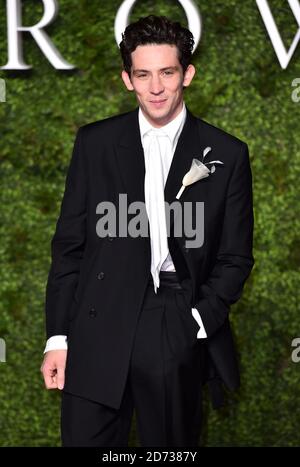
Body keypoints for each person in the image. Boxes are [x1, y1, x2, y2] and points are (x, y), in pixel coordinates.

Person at [40, 15, 254, 447]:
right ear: (127, 79)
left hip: (171, 318)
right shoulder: (95, 144)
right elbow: (70, 248)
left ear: (187, 74)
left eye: (167, 72)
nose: (155, 87)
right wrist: (58, 336)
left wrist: (195, 320)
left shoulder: (227, 154)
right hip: (97, 321)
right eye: (143, 74)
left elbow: (235, 257)